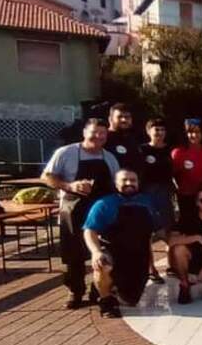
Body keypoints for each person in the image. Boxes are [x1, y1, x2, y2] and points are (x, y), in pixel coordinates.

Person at [42, 118, 121, 309]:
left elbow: (116, 183)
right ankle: (75, 291)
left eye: (102, 133)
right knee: (73, 252)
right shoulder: (66, 153)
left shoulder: (109, 158)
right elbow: (46, 176)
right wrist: (70, 185)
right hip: (73, 208)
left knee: (102, 249)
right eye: (94, 132)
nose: (98, 136)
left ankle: (99, 289)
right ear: (85, 132)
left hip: (100, 210)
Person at [82, 169, 158, 317]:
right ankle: (106, 301)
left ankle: (105, 286)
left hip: (138, 256)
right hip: (112, 251)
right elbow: (89, 231)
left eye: (133, 180)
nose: (129, 183)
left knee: (130, 300)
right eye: (124, 180)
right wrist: (96, 252)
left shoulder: (147, 202)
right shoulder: (104, 204)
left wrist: (170, 246)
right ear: (116, 183)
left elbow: (153, 234)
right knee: (103, 265)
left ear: (138, 183)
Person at [137, 117, 174, 283]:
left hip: (165, 193)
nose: (159, 132)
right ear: (148, 131)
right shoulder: (141, 150)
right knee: (147, 234)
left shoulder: (171, 150)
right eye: (156, 129)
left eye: (162, 129)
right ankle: (151, 269)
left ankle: (172, 266)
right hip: (146, 194)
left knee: (168, 231)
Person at [171, 118, 202, 219]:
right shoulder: (177, 152)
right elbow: (171, 176)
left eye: (198, 132)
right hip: (185, 197)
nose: (194, 135)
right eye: (190, 132)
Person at [105, 103, 143, 171]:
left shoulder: (133, 139)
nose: (124, 120)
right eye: (119, 117)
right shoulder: (103, 138)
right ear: (110, 119)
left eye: (127, 117)